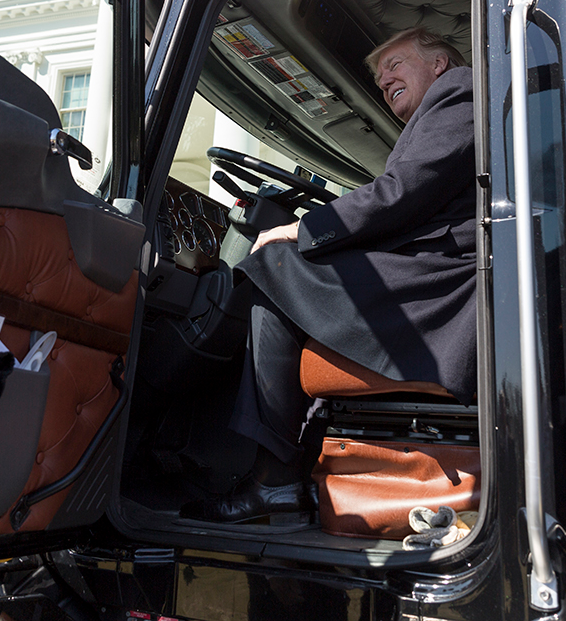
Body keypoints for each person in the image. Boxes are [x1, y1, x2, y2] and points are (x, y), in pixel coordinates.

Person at [181, 27, 477, 525]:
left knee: (274, 270)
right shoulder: (440, 111)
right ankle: (290, 461)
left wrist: (303, 229)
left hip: (442, 285)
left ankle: (273, 479)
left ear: (440, 64)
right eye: (380, 79)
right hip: (429, 273)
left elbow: (401, 192)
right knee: (283, 266)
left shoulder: (459, 94)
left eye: (396, 65)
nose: (385, 81)